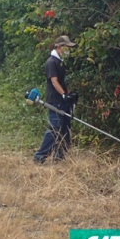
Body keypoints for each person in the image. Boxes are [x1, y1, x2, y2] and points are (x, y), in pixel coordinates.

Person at [34, 35, 77, 164]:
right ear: (59, 47)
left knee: (65, 129)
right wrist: (63, 94)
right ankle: (39, 156)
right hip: (55, 100)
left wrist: (69, 94)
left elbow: (62, 82)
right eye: (66, 47)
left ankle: (60, 157)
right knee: (55, 128)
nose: (68, 50)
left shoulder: (61, 61)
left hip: (62, 101)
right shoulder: (51, 62)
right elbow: (54, 81)